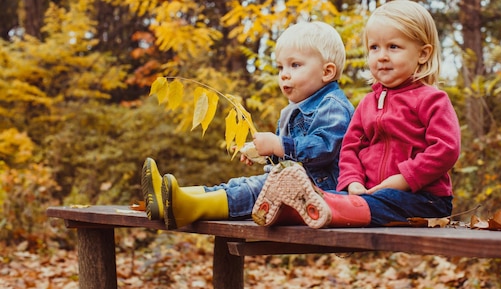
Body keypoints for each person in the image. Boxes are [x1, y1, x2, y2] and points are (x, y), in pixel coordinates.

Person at [252, 0, 461, 228]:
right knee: (345, 197)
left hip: (424, 199)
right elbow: (350, 150)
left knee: (378, 201)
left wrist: (403, 179)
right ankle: (296, 208)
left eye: (393, 47)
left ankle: (307, 208)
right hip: (367, 195)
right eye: (374, 47)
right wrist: (352, 182)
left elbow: (445, 149)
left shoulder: (431, 99)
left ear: (423, 54)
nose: (381, 56)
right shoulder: (367, 104)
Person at [141, 21, 355, 230]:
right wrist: (263, 153)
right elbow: (289, 156)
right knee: (238, 184)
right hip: (293, 185)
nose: (284, 74)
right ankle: (172, 197)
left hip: (319, 193)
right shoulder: (294, 107)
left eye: (295, 65)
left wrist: (278, 144)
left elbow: (323, 148)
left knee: (255, 190)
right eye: (281, 67)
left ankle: (189, 207)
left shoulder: (332, 106)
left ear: (327, 72)